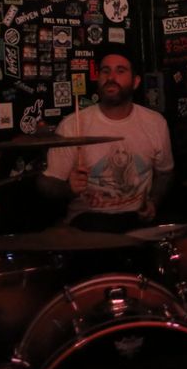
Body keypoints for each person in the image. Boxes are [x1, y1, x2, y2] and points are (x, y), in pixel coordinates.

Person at [38, 44, 174, 233]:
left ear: (135, 82)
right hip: (88, 221)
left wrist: (153, 202)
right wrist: (68, 188)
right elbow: (46, 185)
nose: (111, 77)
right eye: (105, 71)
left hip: (136, 220)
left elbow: (165, 174)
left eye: (120, 71)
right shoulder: (73, 125)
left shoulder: (155, 123)